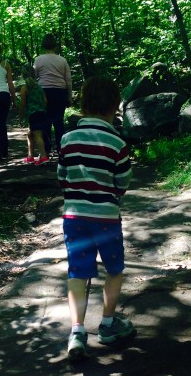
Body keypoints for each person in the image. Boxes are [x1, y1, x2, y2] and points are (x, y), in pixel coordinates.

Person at [57, 75, 136, 360]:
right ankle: (107, 324)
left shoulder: (68, 138)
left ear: (84, 104)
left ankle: (77, 332)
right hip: (106, 217)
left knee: (77, 272)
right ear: (114, 106)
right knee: (113, 269)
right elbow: (122, 182)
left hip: (74, 216)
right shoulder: (117, 142)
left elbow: (62, 176)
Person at [33, 33, 72, 155]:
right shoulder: (62, 60)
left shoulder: (38, 59)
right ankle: (62, 149)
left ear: (43, 46)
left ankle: (46, 150)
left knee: (45, 121)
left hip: (43, 92)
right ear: (55, 46)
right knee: (58, 121)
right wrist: (69, 97)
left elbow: (34, 77)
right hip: (60, 92)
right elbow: (68, 80)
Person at [18, 65, 50, 166]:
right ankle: (30, 157)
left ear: (23, 75)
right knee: (30, 134)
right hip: (42, 113)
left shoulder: (25, 88)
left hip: (33, 114)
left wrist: (21, 116)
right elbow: (45, 101)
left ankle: (44, 156)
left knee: (37, 135)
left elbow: (22, 104)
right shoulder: (39, 87)